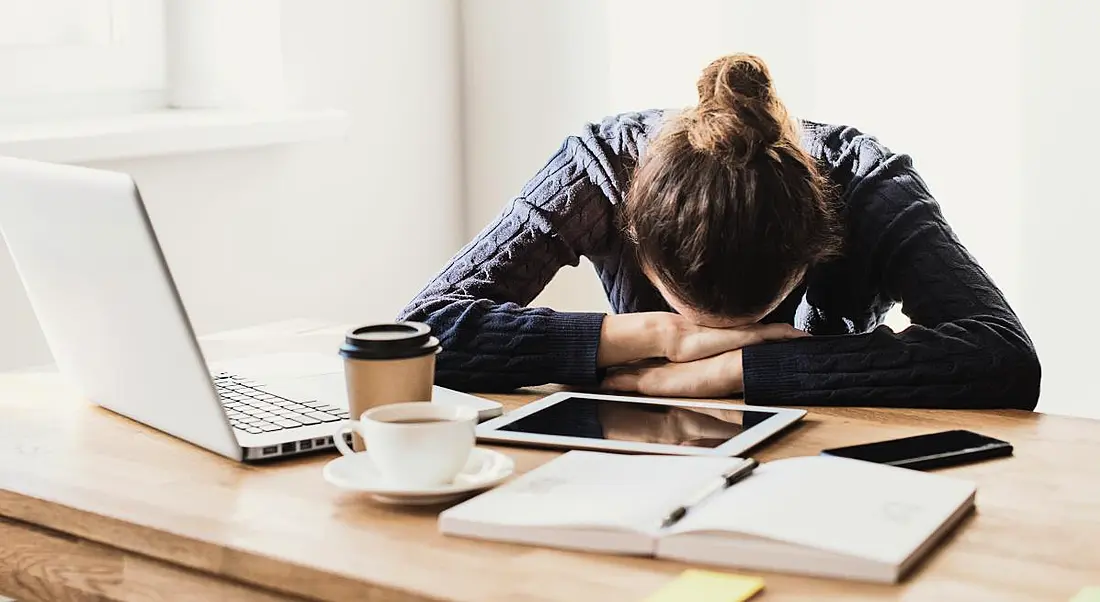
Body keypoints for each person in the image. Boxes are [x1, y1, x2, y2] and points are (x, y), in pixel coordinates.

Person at [398, 53, 1040, 410]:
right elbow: (417, 333)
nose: (715, 336)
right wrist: (658, 337)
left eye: (743, 320)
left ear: (818, 243)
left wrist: (736, 371)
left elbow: (1003, 355)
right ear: (635, 232)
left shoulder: (866, 183)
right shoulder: (600, 168)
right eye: (700, 320)